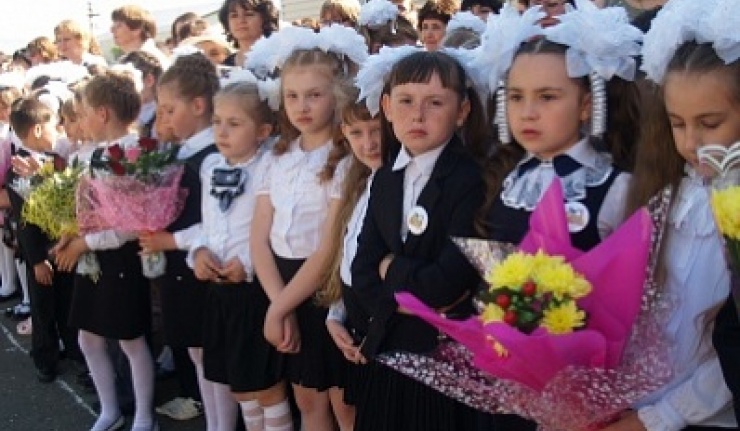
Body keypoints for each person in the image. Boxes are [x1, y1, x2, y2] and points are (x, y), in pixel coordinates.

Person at [613, 0, 740, 429]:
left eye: (710, 123)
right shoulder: (663, 191)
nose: (690, 142)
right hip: (642, 404)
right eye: (677, 123)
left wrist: (662, 417)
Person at [349, 47, 489, 431]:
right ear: (386, 107)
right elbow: (362, 271)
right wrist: (409, 298)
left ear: (462, 111)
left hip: (443, 358)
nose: (418, 114)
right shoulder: (385, 178)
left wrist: (391, 269)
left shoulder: (471, 180)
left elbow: (447, 284)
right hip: (390, 349)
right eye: (406, 101)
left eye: (435, 102)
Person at [250, 25, 367, 431]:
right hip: (281, 285)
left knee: (344, 403)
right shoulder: (276, 157)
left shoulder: (345, 160)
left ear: (337, 96)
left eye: (314, 95)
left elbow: (328, 247)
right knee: (306, 397)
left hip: (324, 287)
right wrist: (279, 304)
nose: (302, 106)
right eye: (293, 96)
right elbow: (259, 239)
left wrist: (278, 309)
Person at [54, 70, 156, 431]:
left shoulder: (133, 151)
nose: (80, 122)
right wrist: (70, 233)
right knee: (89, 337)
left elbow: (130, 224)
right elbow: (85, 208)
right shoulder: (91, 154)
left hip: (120, 257)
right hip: (91, 257)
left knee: (131, 339)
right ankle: (110, 410)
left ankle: (144, 415)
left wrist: (86, 242)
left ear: (102, 113)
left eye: (83, 114)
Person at [190, 73, 291, 431]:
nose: (222, 131)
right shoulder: (210, 166)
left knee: (266, 387)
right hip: (220, 291)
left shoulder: (269, 166)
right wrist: (199, 252)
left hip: (255, 290)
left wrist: (246, 264)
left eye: (234, 124)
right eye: (217, 121)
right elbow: (208, 223)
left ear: (263, 131)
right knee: (241, 387)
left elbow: (273, 230)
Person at [138, 52, 225, 428]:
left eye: (169, 110)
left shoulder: (213, 156)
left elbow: (217, 223)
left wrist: (171, 241)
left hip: (202, 269)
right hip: (178, 270)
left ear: (198, 105)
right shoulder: (179, 151)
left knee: (212, 355)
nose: (164, 118)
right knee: (197, 354)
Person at [7, 96, 79, 383]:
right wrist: (37, 260)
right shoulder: (18, 170)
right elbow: (26, 221)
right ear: (37, 129)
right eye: (53, 125)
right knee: (43, 308)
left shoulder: (57, 161)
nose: (58, 130)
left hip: (66, 246)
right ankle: (45, 358)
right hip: (42, 253)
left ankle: (74, 351)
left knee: (68, 303)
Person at [322, 91, 382, 425]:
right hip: (355, 324)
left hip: (382, 332)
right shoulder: (360, 183)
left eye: (376, 130)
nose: (368, 143)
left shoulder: (395, 187)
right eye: (357, 133)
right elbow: (348, 261)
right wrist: (336, 314)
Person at [218, 0, 280, 67]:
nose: (241, 20)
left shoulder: (281, 56)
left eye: (248, 14)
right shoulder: (225, 66)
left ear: (265, 19)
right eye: (234, 15)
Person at [118, 50, 163, 138]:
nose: (121, 90)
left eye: (127, 83)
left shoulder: (162, 117)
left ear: (149, 80)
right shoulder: (123, 114)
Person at [110, 4, 170, 69]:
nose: (112, 30)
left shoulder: (151, 60)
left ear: (137, 29)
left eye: (118, 25)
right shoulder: (130, 60)